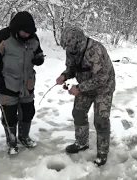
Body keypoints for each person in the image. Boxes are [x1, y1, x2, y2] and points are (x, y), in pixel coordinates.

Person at [0, 11, 45, 155]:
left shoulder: (33, 38)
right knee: (9, 116)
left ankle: (24, 137)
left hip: (27, 85)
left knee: (28, 113)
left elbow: (38, 52)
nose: (27, 35)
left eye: (30, 32)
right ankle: (11, 142)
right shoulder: (1, 38)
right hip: (7, 85)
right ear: (16, 28)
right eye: (24, 32)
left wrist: (39, 59)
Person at [56, 26, 116, 166]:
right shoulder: (71, 50)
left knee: (101, 120)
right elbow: (71, 68)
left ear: (78, 42)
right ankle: (81, 142)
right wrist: (64, 76)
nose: (68, 51)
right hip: (85, 85)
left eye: (70, 47)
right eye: (67, 48)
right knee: (78, 112)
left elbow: (102, 78)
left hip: (104, 87)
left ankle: (102, 152)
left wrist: (79, 88)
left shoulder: (95, 50)